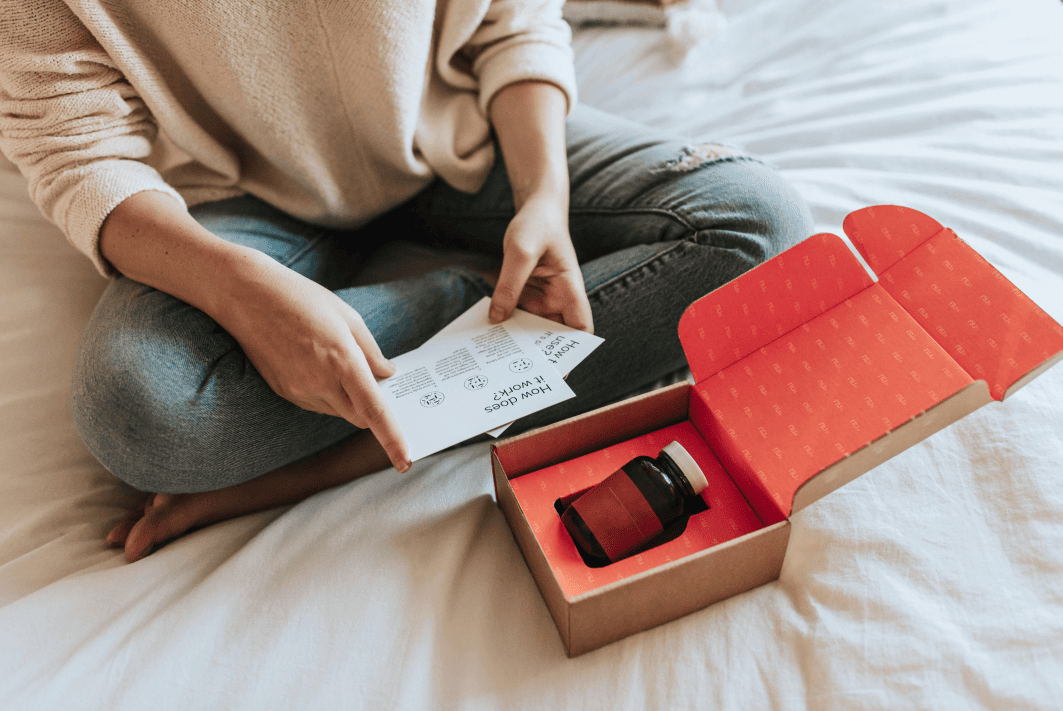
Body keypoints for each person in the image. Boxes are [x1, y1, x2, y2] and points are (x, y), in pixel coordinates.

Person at [0, 0, 812, 563]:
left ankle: (334, 454)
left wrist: (543, 200)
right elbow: (76, 152)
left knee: (760, 226)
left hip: (456, 136)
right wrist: (243, 291)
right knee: (138, 416)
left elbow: (512, 17)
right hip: (226, 199)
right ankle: (471, 301)